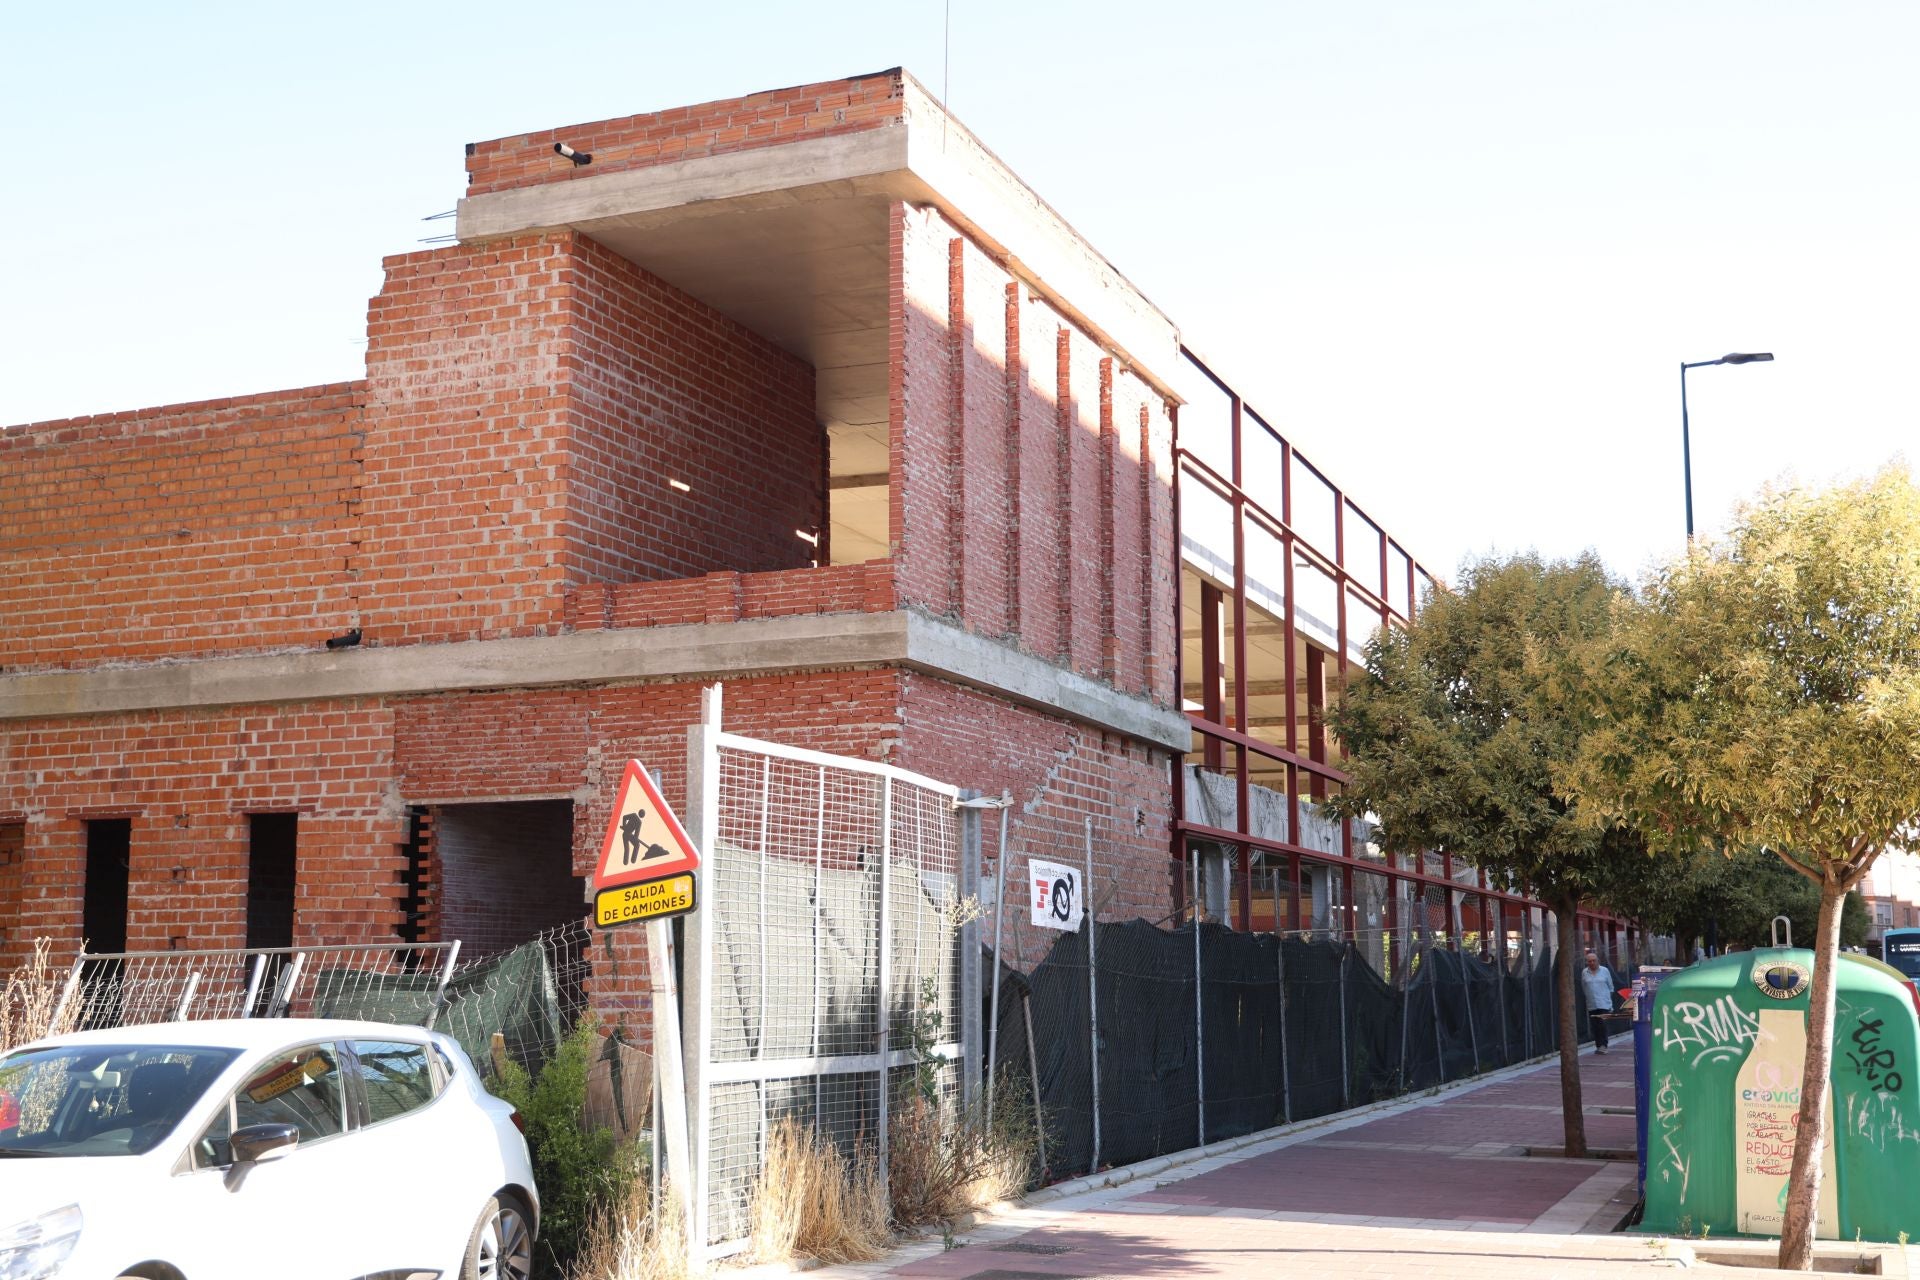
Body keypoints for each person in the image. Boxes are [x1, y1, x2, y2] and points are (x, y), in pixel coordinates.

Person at [1581, 950, 1617, 1053]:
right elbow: (1584, 987)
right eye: (1589, 961)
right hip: (1592, 1003)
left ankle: (1604, 1046)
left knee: (1603, 1024)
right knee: (1595, 1026)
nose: (1592, 963)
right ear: (1587, 962)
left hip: (1604, 1003)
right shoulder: (1584, 972)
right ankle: (1598, 1046)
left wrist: (1607, 999)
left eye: (1593, 960)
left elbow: (1611, 987)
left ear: (1598, 961)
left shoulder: (1605, 971)